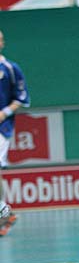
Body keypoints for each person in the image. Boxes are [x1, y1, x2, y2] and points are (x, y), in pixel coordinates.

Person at [0, 30, 30, 235]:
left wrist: (4, 113)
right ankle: (5, 214)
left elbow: (21, 98)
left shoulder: (11, 69)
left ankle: (4, 214)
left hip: (2, 128)